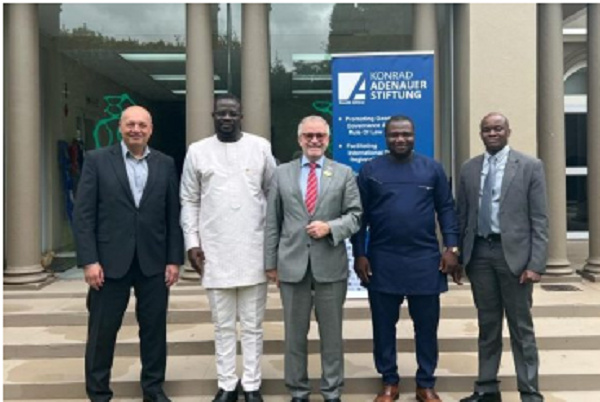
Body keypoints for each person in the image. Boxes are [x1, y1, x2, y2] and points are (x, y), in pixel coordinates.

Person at [73, 105, 184, 402]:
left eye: (142, 125)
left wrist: (174, 259)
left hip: (154, 262)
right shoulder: (97, 161)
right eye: (130, 124)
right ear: (120, 127)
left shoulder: (165, 163)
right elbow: (83, 215)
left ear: (151, 129)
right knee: (102, 333)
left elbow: (173, 214)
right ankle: (98, 393)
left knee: (154, 332)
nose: (136, 130)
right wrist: (89, 260)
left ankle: (153, 389)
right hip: (108, 264)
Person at [351, 115, 460, 402]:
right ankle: (389, 382)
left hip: (425, 260)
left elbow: (447, 209)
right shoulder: (370, 170)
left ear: (414, 135)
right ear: (385, 137)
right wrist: (360, 253)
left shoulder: (432, 169)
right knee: (383, 327)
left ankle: (425, 383)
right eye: (394, 135)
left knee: (426, 327)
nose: (400, 139)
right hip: (382, 259)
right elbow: (358, 217)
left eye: (406, 134)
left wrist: (451, 248)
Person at [180, 94, 276, 402]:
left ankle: (251, 385)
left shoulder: (260, 147)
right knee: (222, 326)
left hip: (253, 250)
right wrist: (192, 242)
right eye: (221, 113)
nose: (226, 118)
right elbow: (189, 199)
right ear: (212, 115)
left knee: (252, 325)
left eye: (232, 113)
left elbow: (274, 196)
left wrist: (273, 249)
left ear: (241, 116)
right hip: (214, 251)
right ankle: (226, 384)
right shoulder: (197, 151)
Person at [264, 115, 362, 402]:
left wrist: (331, 227)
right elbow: (273, 221)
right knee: (294, 335)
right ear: (300, 139)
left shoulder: (343, 173)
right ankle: (298, 390)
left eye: (320, 135)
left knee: (332, 336)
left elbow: (356, 216)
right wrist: (270, 263)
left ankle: (332, 391)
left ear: (328, 139)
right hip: (291, 265)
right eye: (309, 136)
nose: (314, 141)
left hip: (330, 265)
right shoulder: (281, 173)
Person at [457, 113, 548, 402]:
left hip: (516, 256)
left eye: (498, 128)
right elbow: (462, 216)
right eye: (487, 129)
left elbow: (540, 219)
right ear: (480, 134)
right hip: (480, 254)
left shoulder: (530, 166)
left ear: (508, 130)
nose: (492, 133)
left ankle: (530, 391)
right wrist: (459, 257)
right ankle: (486, 387)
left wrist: (536, 263)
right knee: (488, 324)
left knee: (521, 327)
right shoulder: (469, 168)